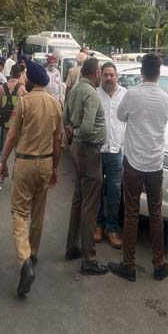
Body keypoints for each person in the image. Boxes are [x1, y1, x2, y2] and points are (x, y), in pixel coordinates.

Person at [0, 59, 62, 297]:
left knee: (19, 212)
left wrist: (3, 161)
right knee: (38, 210)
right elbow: (58, 140)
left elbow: (12, 136)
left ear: (31, 81)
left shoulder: (24, 103)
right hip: (45, 162)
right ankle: (33, 252)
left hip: (24, 163)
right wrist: (55, 168)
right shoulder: (56, 104)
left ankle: (24, 261)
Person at [109, 54, 168, 282]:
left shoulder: (132, 94)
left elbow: (120, 115)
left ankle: (129, 265)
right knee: (155, 213)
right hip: (155, 164)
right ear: (158, 72)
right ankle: (159, 264)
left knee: (131, 212)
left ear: (142, 71)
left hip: (133, 162)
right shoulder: (165, 98)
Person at [63, 57, 108, 276]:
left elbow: (64, 117)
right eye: (100, 73)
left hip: (77, 150)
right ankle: (89, 260)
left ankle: (72, 247)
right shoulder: (91, 93)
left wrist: (70, 130)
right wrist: (77, 133)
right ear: (96, 73)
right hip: (89, 151)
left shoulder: (75, 90)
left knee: (79, 199)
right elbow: (88, 128)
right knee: (90, 205)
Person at [95, 62, 126, 249]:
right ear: (100, 76)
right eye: (105, 74)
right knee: (97, 190)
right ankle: (99, 224)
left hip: (116, 152)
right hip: (97, 151)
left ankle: (112, 228)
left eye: (111, 75)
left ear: (116, 76)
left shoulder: (125, 95)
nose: (108, 78)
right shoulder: (95, 94)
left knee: (115, 192)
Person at [0, 64, 28, 191]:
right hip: (18, 129)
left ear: (11, 73)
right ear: (20, 75)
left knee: (2, 154)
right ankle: (17, 181)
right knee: (19, 156)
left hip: (5, 126)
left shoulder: (2, 88)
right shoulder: (22, 90)